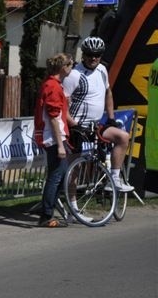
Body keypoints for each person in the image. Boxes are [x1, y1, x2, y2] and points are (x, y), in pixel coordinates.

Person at [63, 36, 134, 196]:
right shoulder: (75, 75)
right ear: (84, 54)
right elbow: (63, 104)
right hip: (77, 127)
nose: (93, 58)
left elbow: (108, 93)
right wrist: (73, 124)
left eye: (97, 54)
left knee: (123, 137)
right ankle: (72, 207)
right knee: (74, 168)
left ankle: (113, 180)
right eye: (89, 54)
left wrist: (110, 118)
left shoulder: (102, 69)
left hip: (95, 125)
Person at [34, 53, 76, 228]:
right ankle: (46, 215)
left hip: (55, 136)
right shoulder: (53, 86)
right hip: (52, 137)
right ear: (63, 67)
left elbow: (59, 113)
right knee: (56, 175)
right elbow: (53, 118)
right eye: (70, 65)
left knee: (62, 173)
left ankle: (49, 209)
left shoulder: (54, 85)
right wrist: (60, 144)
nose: (72, 68)